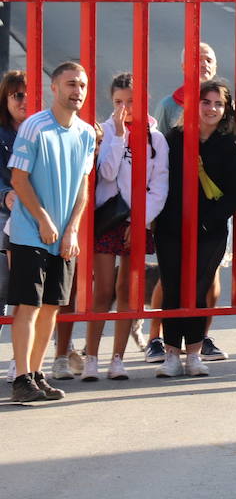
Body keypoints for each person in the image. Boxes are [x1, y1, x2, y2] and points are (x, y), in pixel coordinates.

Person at [7, 62, 98, 403]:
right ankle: (20, 378)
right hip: (31, 231)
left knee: (51, 307)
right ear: (54, 88)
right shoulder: (34, 127)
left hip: (63, 238)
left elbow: (83, 187)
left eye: (83, 85)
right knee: (28, 306)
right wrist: (44, 220)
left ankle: (36, 373)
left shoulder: (87, 133)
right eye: (71, 84)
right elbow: (18, 178)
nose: (78, 91)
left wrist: (71, 229)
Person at [154, 80, 236, 378]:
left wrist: (209, 220)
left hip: (211, 231)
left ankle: (193, 353)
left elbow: (234, 195)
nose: (211, 109)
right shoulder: (173, 139)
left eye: (218, 104)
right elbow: (157, 180)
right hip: (170, 226)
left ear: (226, 110)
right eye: (206, 102)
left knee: (198, 288)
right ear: (194, 105)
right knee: (172, 286)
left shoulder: (232, 147)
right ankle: (171, 353)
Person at [81, 74, 170, 380]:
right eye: (119, 101)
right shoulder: (105, 131)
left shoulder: (155, 139)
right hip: (108, 219)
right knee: (103, 290)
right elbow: (105, 173)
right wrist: (118, 137)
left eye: (131, 101)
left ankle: (117, 359)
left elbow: (159, 186)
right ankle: (90, 356)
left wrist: (140, 220)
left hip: (137, 222)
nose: (125, 107)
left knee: (127, 291)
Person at [148, 42, 227, 364]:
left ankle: (202, 336)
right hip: (176, 202)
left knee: (210, 276)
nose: (203, 63)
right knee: (171, 275)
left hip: (212, 204)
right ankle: (155, 336)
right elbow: (158, 151)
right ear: (184, 67)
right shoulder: (170, 104)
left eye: (208, 58)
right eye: (196, 59)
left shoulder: (221, 101)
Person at [0, 71, 30, 382]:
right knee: (3, 287)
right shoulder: (2, 134)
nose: (24, 101)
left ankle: (18, 360)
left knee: (27, 294)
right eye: (17, 95)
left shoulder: (42, 130)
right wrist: (5, 194)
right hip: (6, 213)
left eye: (28, 94)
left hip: (35, 216)